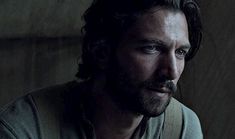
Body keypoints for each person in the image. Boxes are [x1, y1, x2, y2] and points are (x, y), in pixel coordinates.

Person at [0, 0, 203, 138]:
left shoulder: (181, 128)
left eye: (180, 52)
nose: (172, 72)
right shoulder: (23, 129)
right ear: (101, 51)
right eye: (151, 48)